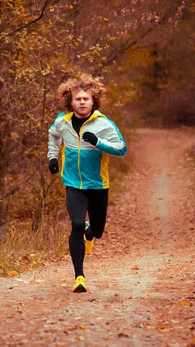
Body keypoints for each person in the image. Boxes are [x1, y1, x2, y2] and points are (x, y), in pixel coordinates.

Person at [47, 73, 127, 293]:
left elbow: (122, 148)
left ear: (93, 102)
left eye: (86, 99)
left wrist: (99, 143)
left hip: (98, 185)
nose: (82, 102)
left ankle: (91, 232)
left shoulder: (104, 125)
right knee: (76, 225)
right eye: (78, 99)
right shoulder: (62, 122)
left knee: (98, 230)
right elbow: (53, 136)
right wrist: (52, 157)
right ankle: (79, 277)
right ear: (70, 102)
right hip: (73, 183)